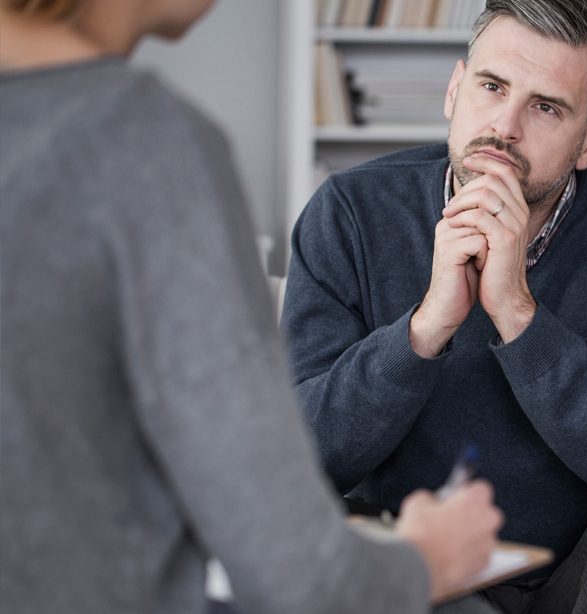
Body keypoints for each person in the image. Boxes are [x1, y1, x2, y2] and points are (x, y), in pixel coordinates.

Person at [0, 1, 504, 613]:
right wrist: (430, 558)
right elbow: (306, 582)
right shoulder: (144, 143)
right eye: (492, 87)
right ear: (456, 88)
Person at [281, 0, 587, 611]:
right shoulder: (348, 212)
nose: (505, 127)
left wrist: (519, 314)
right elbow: (297, 460)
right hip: (430, 570)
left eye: (546, 107)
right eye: (492, 87)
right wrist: (424, 330)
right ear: (455, 90)